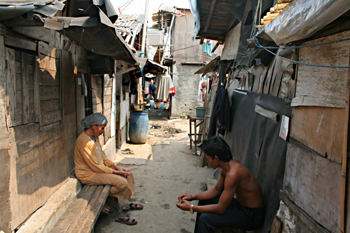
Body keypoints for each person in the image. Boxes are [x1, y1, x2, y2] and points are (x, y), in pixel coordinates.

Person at [176, 136, 265, 232]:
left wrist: (191, 208)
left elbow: (220, 209)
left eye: (208, 158)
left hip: (251, 216)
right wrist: (193, 197)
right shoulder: (227, 166)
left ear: (216, 158)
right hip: (240, 206)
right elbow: (216, 190)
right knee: (204, 202)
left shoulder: (233, 174)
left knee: (205, 219)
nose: (208, 162)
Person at [74, 113, 143, 223]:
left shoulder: (94, 138)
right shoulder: (84, 141)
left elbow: (102, 157)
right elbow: (96, 167)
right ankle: (104, 200)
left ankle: (112, 197)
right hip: (89, 174)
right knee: (122, 183)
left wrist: (117, 167)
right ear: (93, 126)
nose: (103, 132)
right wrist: (117, 173)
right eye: (102, 128)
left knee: (129, 174)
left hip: (97, 170)